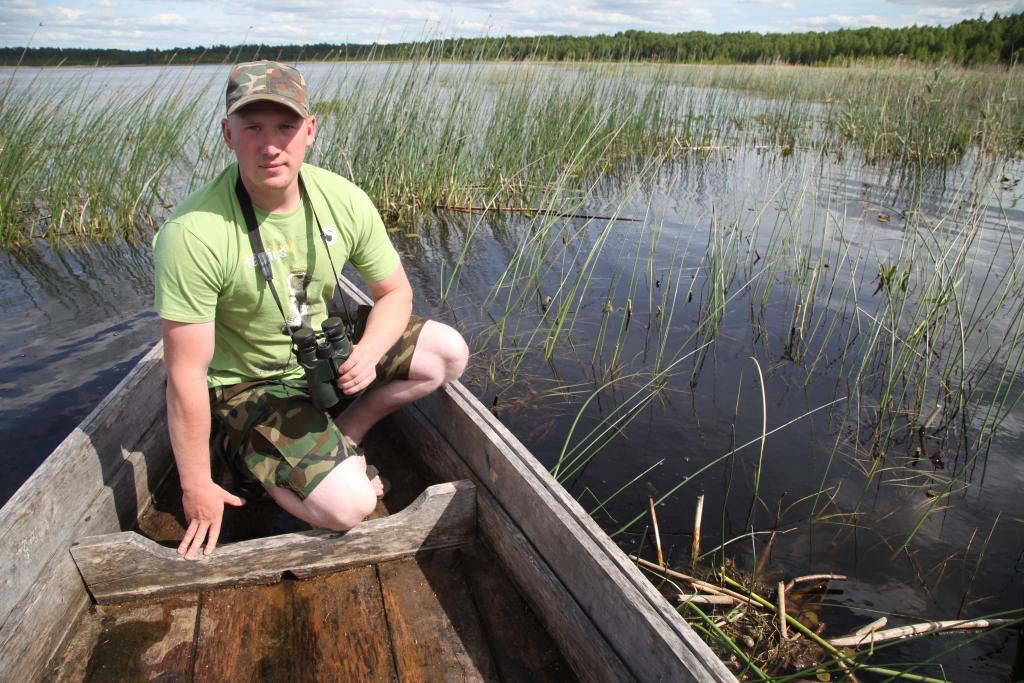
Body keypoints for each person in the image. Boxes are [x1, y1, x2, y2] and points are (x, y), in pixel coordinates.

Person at [153, 60, 468, 559]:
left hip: (319, 348)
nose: (270, 145)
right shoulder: (192, 232)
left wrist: (366, 352)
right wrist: (195, 486)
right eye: (252, 127)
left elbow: (395, 294)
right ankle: (245, 453)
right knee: (350, 505)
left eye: (285, 126)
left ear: (310, 130)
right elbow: (185, 376)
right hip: (248, 385)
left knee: (447, 354)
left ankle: (348, 431)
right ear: (227, 134)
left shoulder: (342, 197)